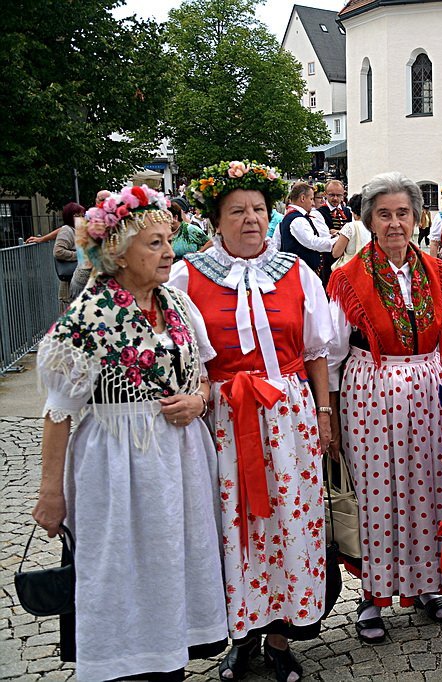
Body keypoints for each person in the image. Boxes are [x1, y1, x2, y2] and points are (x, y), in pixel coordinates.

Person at [33, 184, 226, 681]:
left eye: (169, 240)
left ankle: (168, 663)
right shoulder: (88, 316)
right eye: (155, 244)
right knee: (120, 569)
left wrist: (199, 399)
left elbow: (204, 372)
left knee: (173, 565)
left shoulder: (179, 306)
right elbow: (58, 412)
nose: (169, 252)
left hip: (180, 459)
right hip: (118, 465)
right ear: (117, 252)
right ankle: (123, 664)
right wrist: (50, 494)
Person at [171, 160, 335, 682]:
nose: (250, 219)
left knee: (288, 519)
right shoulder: (187, 275)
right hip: (222, 414)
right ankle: (239, 636)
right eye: (236, 210)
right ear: (215, 220)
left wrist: (325, 413)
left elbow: (315, 351)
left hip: (287, 415)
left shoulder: (296, 272)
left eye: (259, 209)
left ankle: (282, 637)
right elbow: (176, 352)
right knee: (232, 524)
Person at [326, 172, 442, 645]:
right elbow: (334, 354)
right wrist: (332, 416)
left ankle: (427, 586)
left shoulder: (437, 270)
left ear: (417, 218)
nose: (396, 223)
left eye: (403, 213)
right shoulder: (347, 278)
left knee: (430, 487)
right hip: (370, 393)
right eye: (384, 214)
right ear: (369, 221)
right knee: (378, 493)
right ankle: (371, 596)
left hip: (428, 388)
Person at [279, 181, 338, 287]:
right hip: (301, 273)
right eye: (311, 199)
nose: (313, 203)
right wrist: (336, 242)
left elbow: (277, 243)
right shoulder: (297, 220)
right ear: (302, 198)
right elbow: (312, 242)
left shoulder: (290, 217)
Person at [53, 202, 84, 309]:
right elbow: (58, 251)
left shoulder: (79, 230)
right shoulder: (67, 230)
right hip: (69, 284)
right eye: (76, 215)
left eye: (82, 215)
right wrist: (79, 255)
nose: (80, 218)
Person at [330, 193, 371, 268]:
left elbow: (336, 253)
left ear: (354, 212)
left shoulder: (350, 227)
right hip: (369, 270)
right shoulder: (375, 227)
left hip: (351, 270)